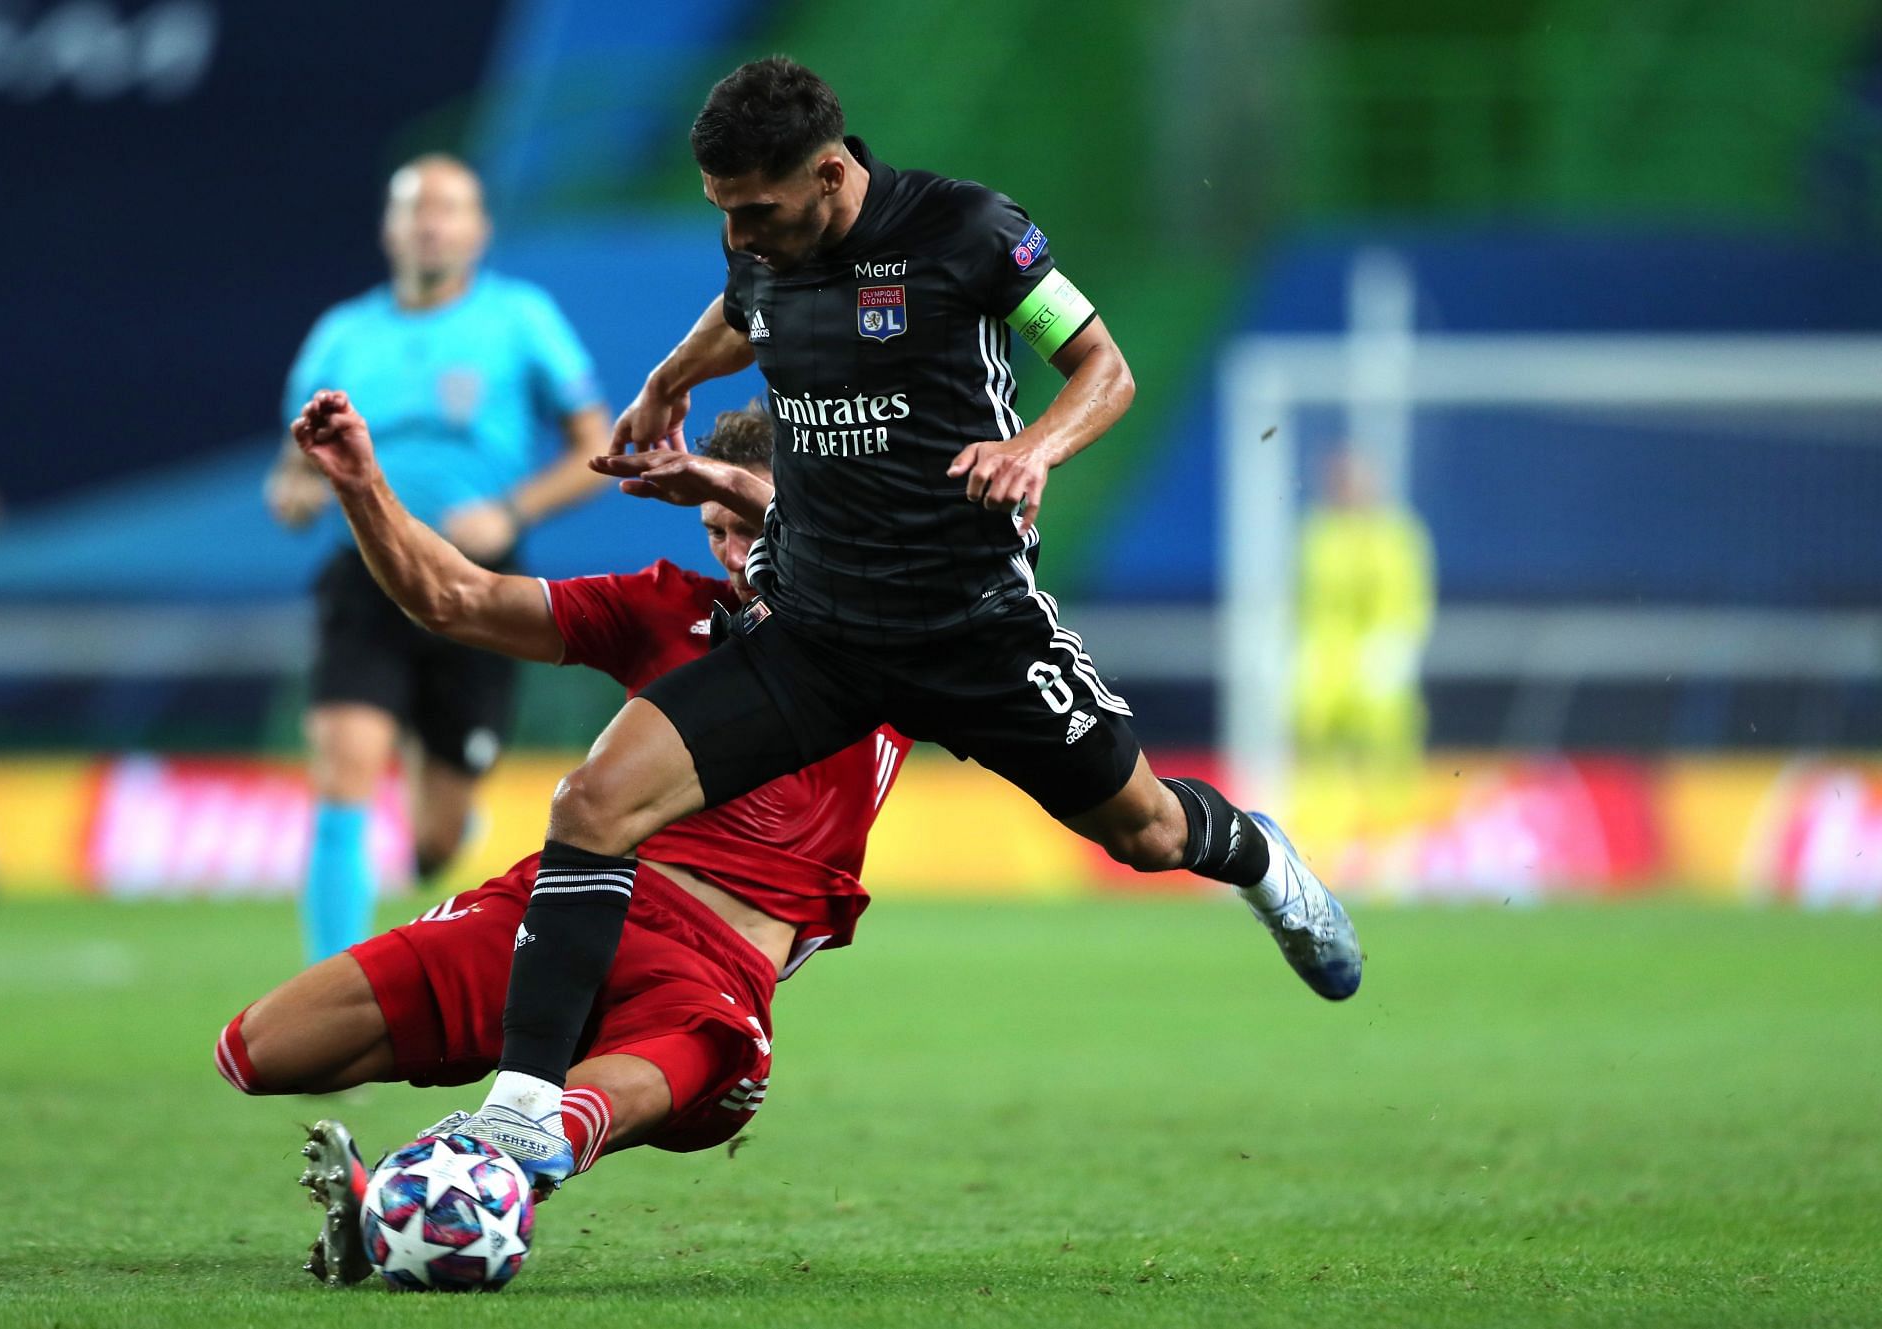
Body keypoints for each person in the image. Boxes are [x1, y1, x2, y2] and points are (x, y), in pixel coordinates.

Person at [347, 56, 1363, 1190]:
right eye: (723, 211)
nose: (740, 232)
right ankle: (527, 1110)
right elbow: (748, 311)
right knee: (591, 804)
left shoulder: (972, 231)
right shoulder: (760, 240)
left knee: (1148, 836)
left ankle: (1264, 861)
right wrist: (669, 379)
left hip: (972, 626)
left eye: (759, 210)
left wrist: (1034, 447)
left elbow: (1101, 367)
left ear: (831, 173)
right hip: (819, 631)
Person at [220, 402, 911, 1285]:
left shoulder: (893, 635)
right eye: (716, 530)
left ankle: (463, 1170)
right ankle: (453, 1173)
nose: (736, 554)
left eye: (751, 523)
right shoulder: (665, 607)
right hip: (567, 909)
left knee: (590, 1106)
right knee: (258, 1052)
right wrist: (361, 485)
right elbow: (456, 597)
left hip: (709, 973)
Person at [264, 154, 613, 966]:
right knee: (345, 766)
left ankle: (441, 821)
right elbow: (291, 463)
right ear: (390, 229)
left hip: (479, 587)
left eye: (448, 209)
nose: (430, 223)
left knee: (437, 834)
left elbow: (593, 443)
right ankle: (329, 990)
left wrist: (511, 509)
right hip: (369, 574)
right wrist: (294, 491)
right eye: (415, 209)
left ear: (479, 230)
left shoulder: (521, 319)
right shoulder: (344, 333)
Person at [1293, 447, 1436, 860]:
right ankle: (1321, 852)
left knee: (1388, 755)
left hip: (1378, 662)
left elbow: (1411, 598)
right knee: (1319, 758)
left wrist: (1399, 646)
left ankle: (1394, 853)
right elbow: (1307, 600)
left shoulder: (1397, 534)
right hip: (1326, 664)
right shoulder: (1319, 533)